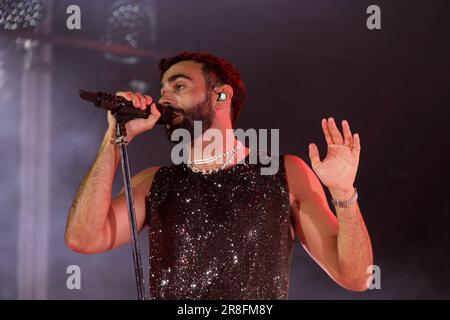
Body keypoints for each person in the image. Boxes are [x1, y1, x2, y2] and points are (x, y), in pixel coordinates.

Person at [65, 51, 373, 299]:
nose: (165, 99)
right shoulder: (154, 183)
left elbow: (356, 278)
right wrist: (114, 139)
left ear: (221, 96)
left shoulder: (283, 174)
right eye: (163, 90)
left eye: (179, 86)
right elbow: (84, 238)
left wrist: (344, 194)